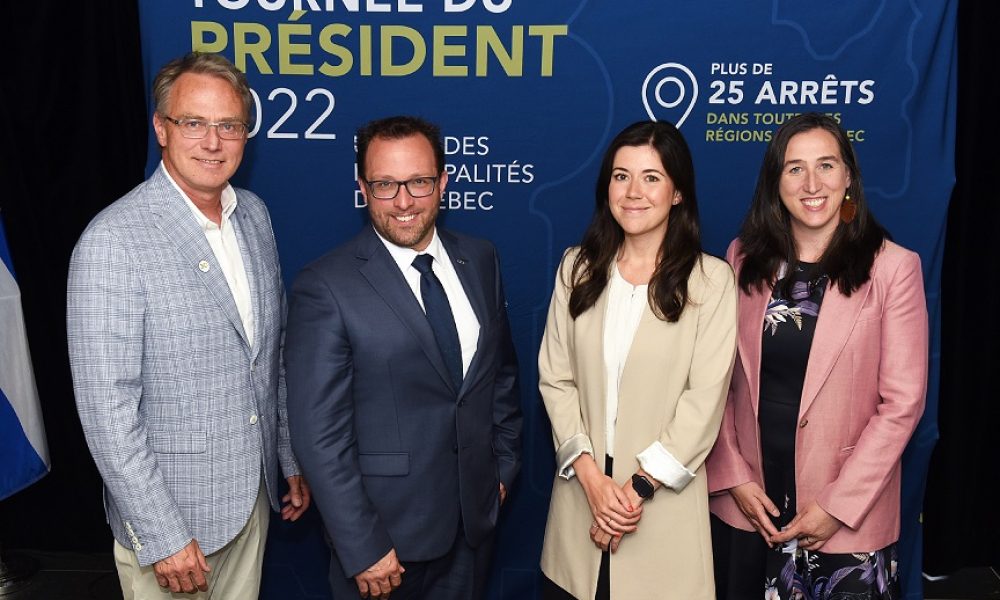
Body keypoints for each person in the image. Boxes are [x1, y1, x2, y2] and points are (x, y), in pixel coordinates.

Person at [67, 52, 310, 599]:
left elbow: (270, 353)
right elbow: (107, 412)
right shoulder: (113, 241)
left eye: (229, 125)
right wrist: (161, 534)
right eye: (194, 123)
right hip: (173, 526)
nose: (213, 142)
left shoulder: (254, 214)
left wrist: (287, 456)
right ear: (161, 128)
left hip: (250, 502)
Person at [284, 115, 522, 599]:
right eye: (386, 185)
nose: (405, 201)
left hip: (472, 528)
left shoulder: (479, 259)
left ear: (443, 183)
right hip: (385, 544)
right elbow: (318, 434)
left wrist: (501, 467)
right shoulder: (325, 286)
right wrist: (362, 544)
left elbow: (500, 376)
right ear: (362, 188)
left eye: (419, 182)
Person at [706, 112, 928, 599]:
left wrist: (837, 505)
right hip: (750, 511)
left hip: (845, 520)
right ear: (775, 181)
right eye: (795, 168)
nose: (812, 183)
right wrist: (734, 476)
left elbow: (903, 403)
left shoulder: (894, 268)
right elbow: (713, 382)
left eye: (826, 165)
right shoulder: (742, 258)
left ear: (848, 176)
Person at [538, 120, 738, 600]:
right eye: (620, 175)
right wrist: (591, 482)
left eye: (651, 177)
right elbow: (556, 379)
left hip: (659, 515)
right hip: (578, 511)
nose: (633, 191)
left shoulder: (711, 281)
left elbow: (702, 404)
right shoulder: (577, 268)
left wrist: (631, 495)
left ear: (677, 193)